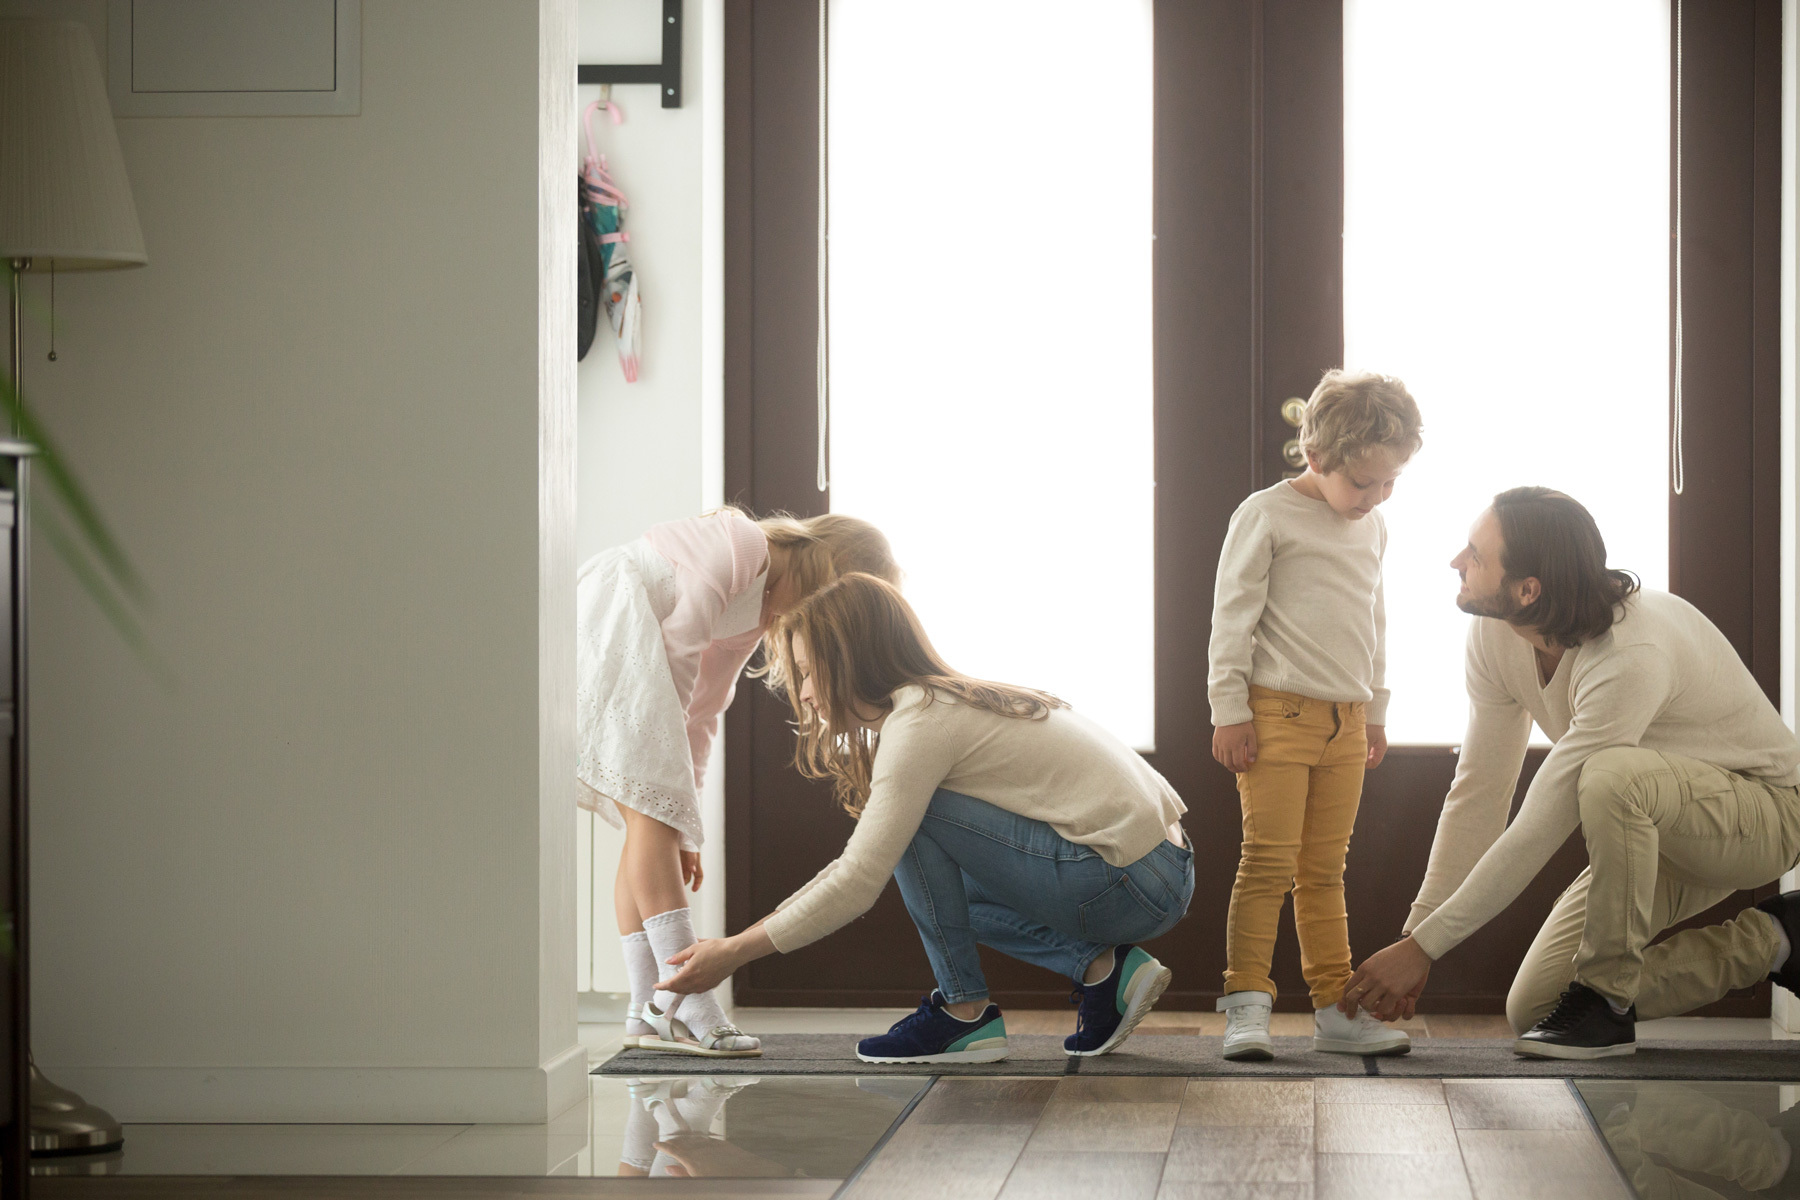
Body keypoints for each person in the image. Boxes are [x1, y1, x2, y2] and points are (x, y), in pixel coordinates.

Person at [650, 573, 1194, 1064]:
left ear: (850, 660)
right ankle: (1105, 971)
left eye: (810, 673)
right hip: (1161, 869)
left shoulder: (921, 726)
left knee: (915, 820)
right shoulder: (944, 700)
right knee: (949, 897)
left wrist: (733, 953)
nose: (807, 695)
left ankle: (964, 1015)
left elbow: (856, 879)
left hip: (1130, 880)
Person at [1340, 487, 1800, 1060]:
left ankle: (1605, 1005)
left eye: (1475, 556)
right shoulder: (1496, 634)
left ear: (1527, 590)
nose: (1456, 562)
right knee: (1536, 1008)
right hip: (1653, 820)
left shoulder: (1632, 650)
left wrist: (1427, 949)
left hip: (1762, 815)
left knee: (1609, 777)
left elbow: (1544, 819)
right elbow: (1481, 790)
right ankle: (1779, 940)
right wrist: (1420, 935)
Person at [577, 508, 899, 1057]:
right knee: (652, 809)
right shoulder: (741, 544)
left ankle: (644, 1010)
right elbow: (678, 650)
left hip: (642, 651)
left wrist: (689, 827)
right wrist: (668, 786)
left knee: (651, 817)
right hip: (611, 619)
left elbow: (705, 707)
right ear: (829, 569)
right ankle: (690, 1003)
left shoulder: (759, 615)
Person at [1206, 369, 1423, 1060]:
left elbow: (1375, 621)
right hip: (1276, 715)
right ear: (1317, 456)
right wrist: (1228, 709)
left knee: (1325, 870)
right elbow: (1231, 620)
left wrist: (1377, 709)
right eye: (1363, 483)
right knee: (1267, 862)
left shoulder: (1374, 528)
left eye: (1390, 483)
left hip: (1347, 720)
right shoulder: (1266, 515)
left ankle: (1336, 1005)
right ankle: (1247, 1004)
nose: (1375, 497)